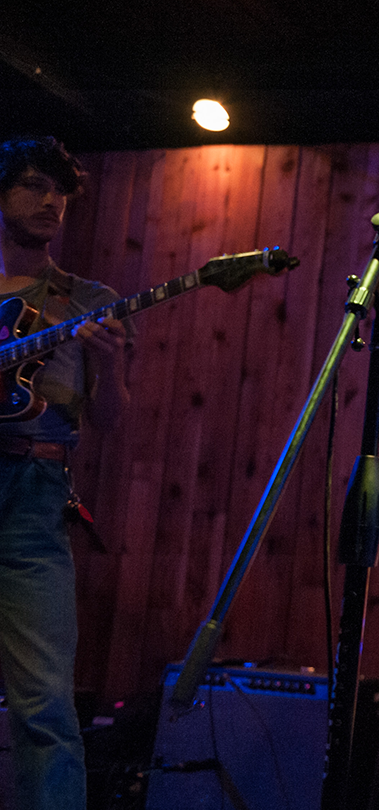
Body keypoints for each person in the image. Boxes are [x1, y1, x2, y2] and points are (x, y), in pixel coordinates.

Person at [0, 136, 130, 810]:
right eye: (30, 184)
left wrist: (108, 364)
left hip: (33, 496)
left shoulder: (89, 299)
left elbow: (110, 422)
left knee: (46, 704)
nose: (49, 200)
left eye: (60, 191)